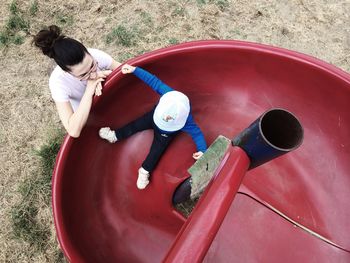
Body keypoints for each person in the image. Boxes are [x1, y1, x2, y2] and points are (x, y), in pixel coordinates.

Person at [99, 64, 207, 190]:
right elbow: (153, 81)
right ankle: (115, 136)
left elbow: (197, 134)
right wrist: (135, 70)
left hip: (165, 134)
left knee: (156, 151)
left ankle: (144, 171)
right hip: (153, 117)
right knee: (134, 125)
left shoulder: (187, 120)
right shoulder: (169, 94)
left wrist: (202, 150)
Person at [33, 25, 121, 137]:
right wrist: (89, 90)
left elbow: (127, 70)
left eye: (93, 66)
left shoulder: (95, 55)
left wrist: (108, 77)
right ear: (67, 72)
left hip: (110, 100)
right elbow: (73, 130)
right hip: (89, 114)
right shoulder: (58, 82)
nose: (93, 74)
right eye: (84, 74)